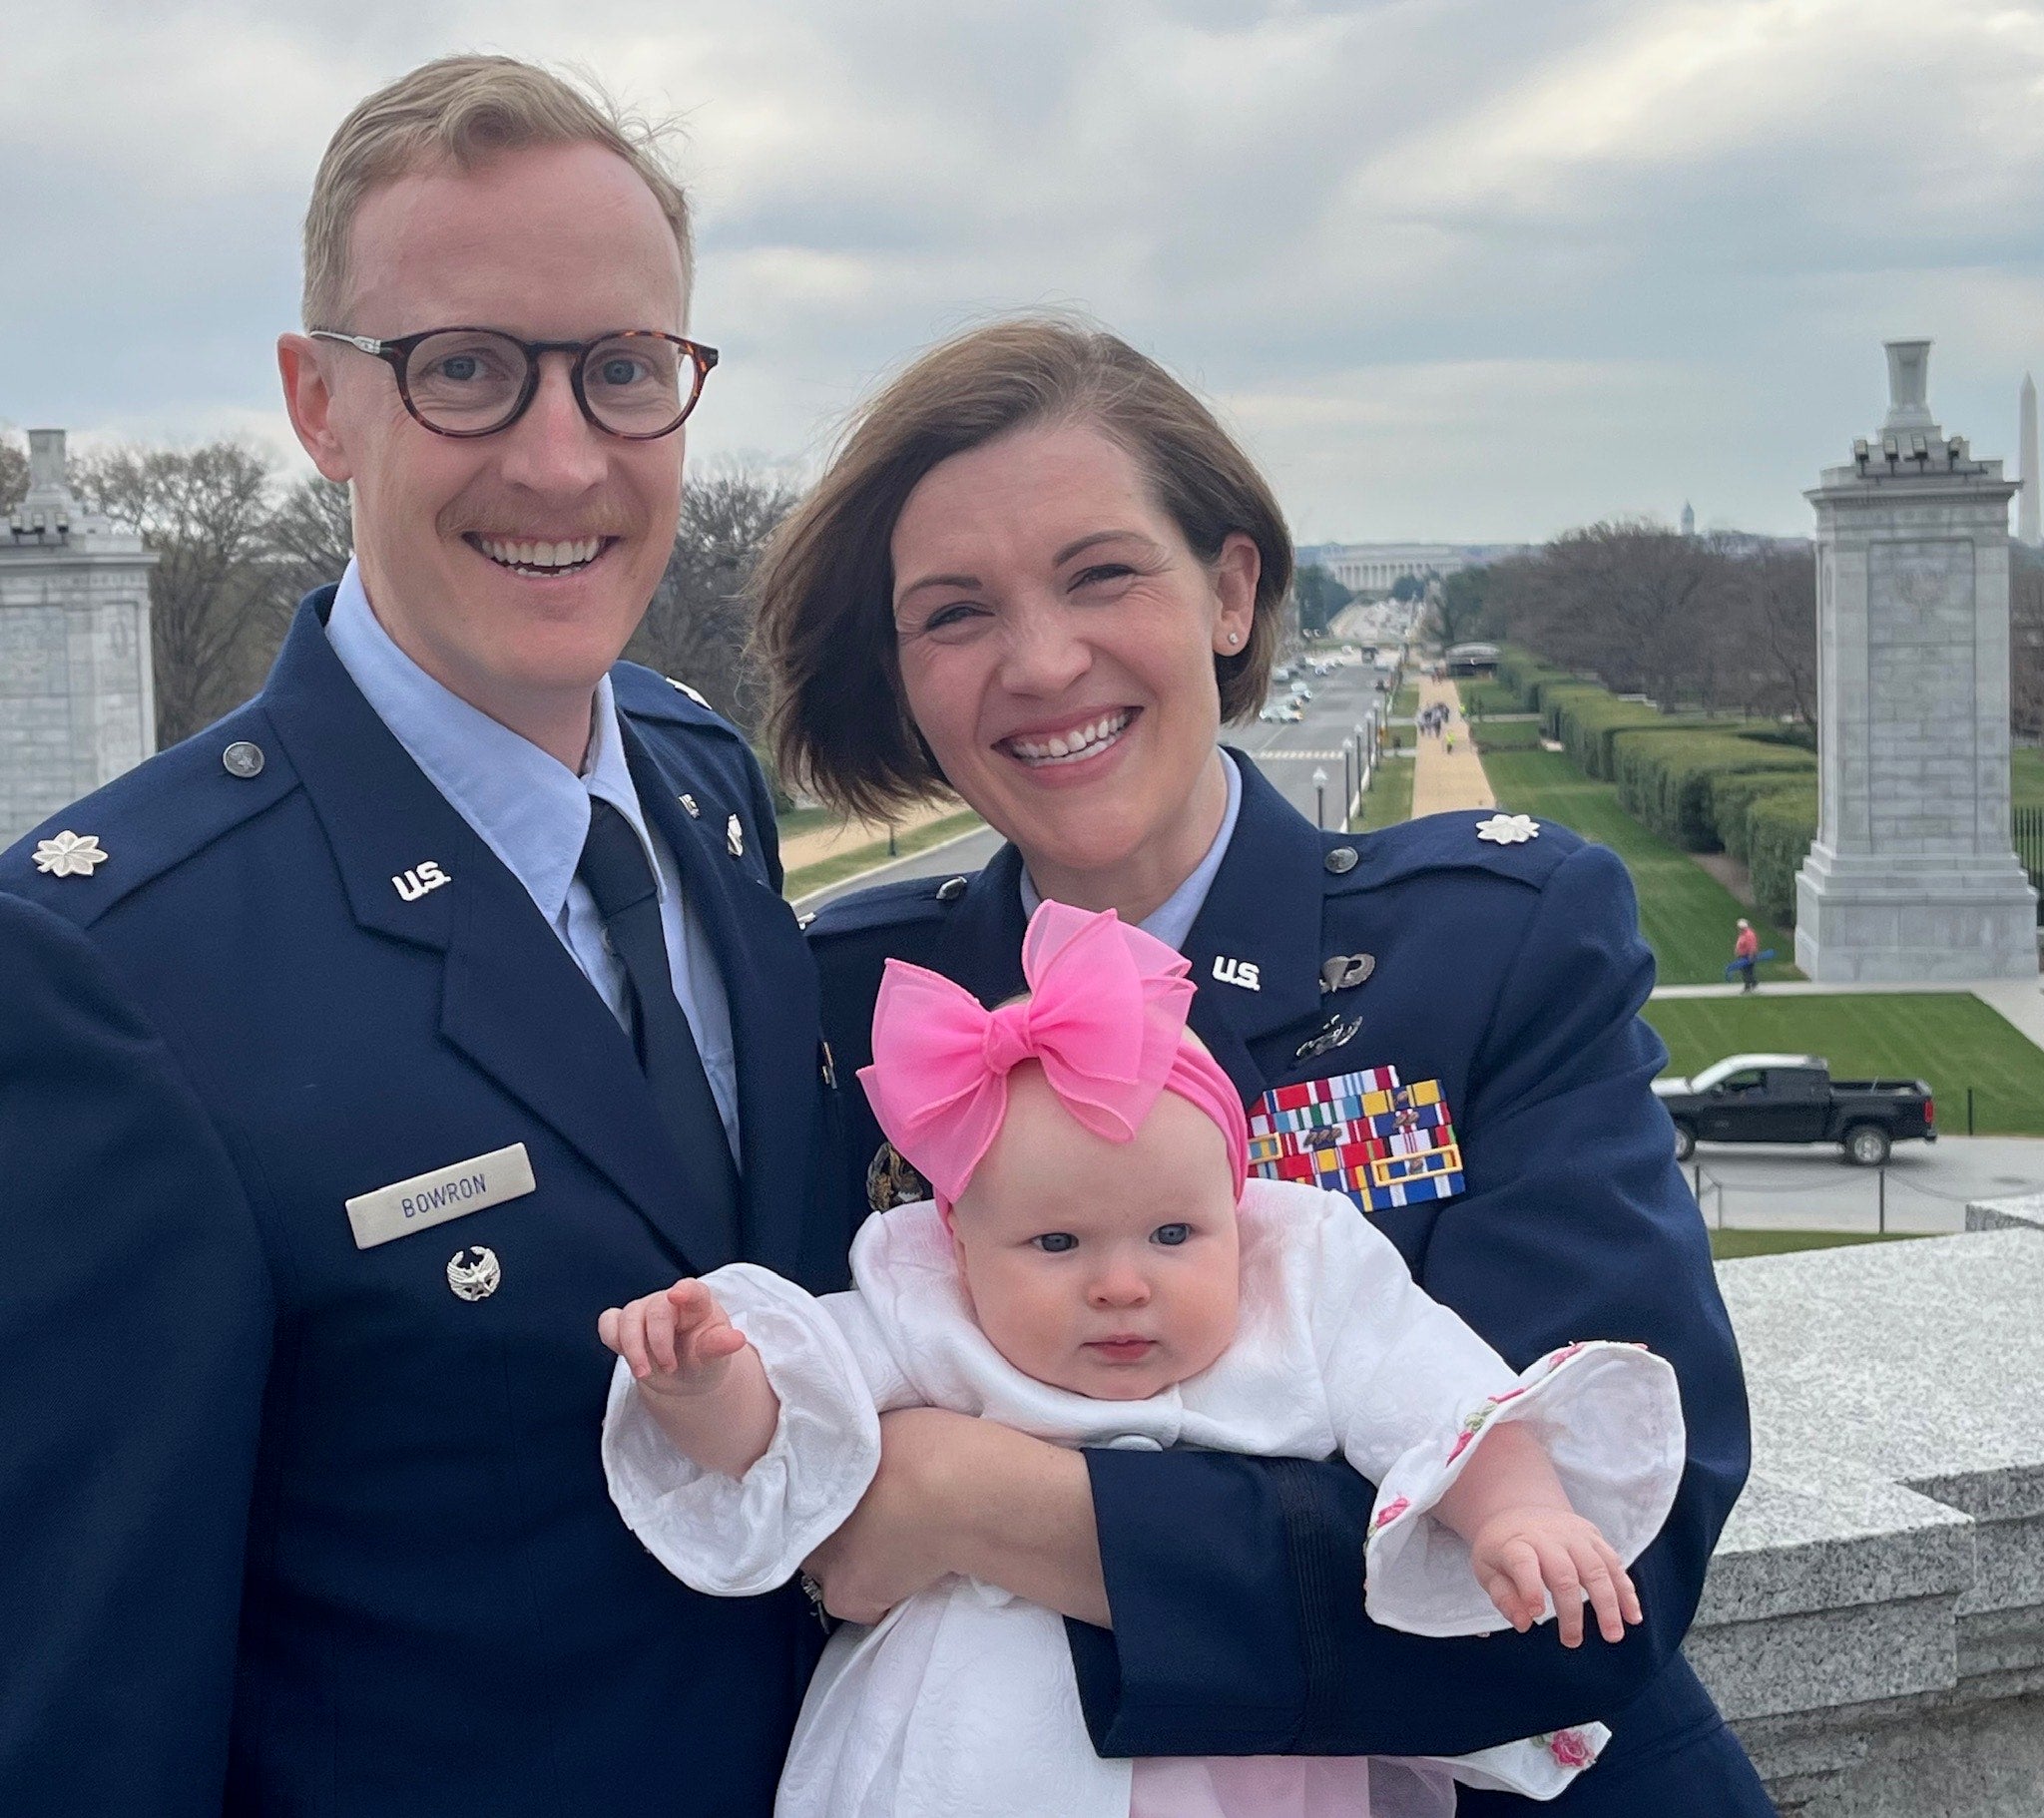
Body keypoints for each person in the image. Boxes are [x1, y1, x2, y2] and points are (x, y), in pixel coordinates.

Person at [756, 318, 1777, 1814]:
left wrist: (974, 1499)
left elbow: (1601, 1562)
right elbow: (771, 1506)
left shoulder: (1492, 946)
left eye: (1103, 573)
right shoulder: (854, 1001)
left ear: (1231, 591)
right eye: (955, 612)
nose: (1043, 662)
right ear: (902, 672)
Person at [0, 57, 840, 1814]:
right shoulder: (106, 964)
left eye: (622, 371)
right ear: (320, 406)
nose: (561, 457)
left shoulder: (698, 788)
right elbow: (89, 1695)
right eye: (463, 369)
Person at [598, 901, 1686, 1818]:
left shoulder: (1295, 1280)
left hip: (1251, 1741)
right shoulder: (924, 1304)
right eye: (1055, 1244)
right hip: (969, 1743)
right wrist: (707, 1384)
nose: (1121, 1284)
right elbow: (794, 1417)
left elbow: (1442, 1401)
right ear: (958, 1245)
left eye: (1172, 1235)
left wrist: (1512, 1513)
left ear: (1234, 1208)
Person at [1732, 920, 1761, 993]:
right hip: (1742, 955)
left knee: (1746, 971)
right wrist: (1737, 950)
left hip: (1747, 955)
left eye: (1739, 928)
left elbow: (1752, 946)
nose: (1738, 929)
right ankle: (1753, 983)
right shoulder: (1743, 934)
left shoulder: (1749, 934)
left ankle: (1747, 987)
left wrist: (1751, 955)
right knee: (1746, 971)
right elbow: (1740, 943)